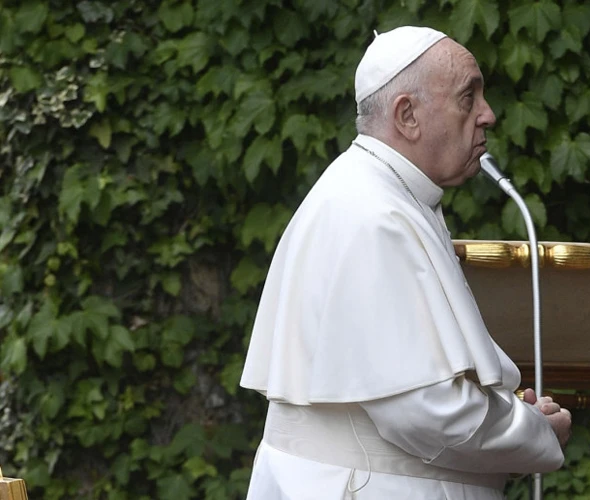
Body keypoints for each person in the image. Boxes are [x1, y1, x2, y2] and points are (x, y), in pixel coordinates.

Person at [240, 25, 572, 499]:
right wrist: (534, 434)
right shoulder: (374, 214)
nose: (488, 115)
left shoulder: (377, 193)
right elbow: (428, 411)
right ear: (408, 115)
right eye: (468, 97)